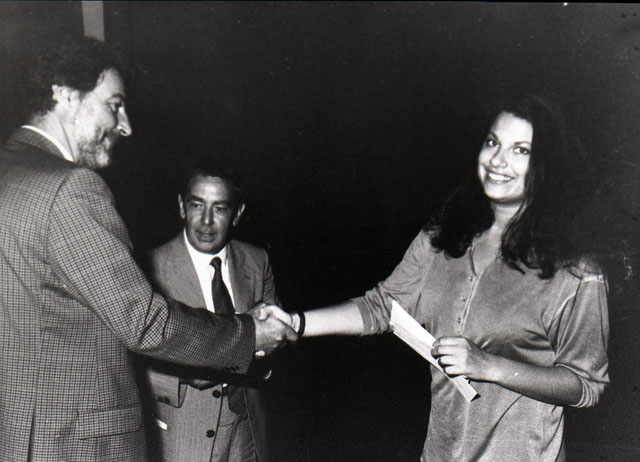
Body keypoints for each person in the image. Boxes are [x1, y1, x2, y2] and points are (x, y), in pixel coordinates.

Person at [263, 95, 610, 461]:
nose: (497, 160)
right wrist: (294, 323)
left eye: (520, 150)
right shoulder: (444, 236)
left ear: (547, 167)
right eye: (492, 142)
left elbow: (585, 384)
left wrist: (488, 365)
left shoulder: (576, 272)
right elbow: (382, 307)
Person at [0, 36, 295, 462]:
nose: (125, 126)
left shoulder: (9, 172)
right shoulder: (70, 189)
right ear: (65, 95)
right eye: (114, 104)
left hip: (23, 433)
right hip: (76, 444)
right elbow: (144, 322)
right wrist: (249, 333)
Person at [141, 162, 277, 462]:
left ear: (237, 213)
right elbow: (129, 362)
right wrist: (183, 374)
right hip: (182, 437)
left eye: (219, 209)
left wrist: (261, 353)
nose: (206, 221)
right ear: (181, 206)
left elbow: (275, 344)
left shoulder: (257, 261)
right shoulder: (149, 269)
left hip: (247, 434)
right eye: (197, 205)